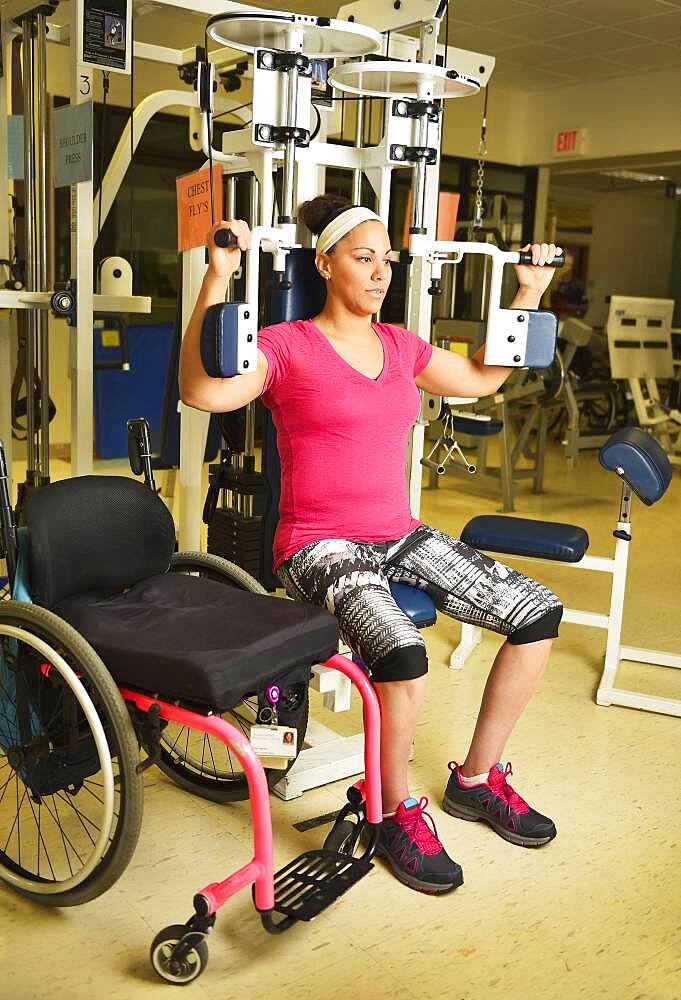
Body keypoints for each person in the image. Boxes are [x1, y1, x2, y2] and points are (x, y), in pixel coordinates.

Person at [179, 195, 564, 895]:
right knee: (401, 653)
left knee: (536, 612)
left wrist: (526, 293)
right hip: (317, 544)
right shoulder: (285, 345)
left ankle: (476, 780)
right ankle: (390, 815)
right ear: (324, 263)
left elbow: (480, 380)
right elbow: (203, 392)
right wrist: (217, 279)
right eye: (363, 258)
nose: (380, 271)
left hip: (399, 532)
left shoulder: (400, 345)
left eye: (386, 259)